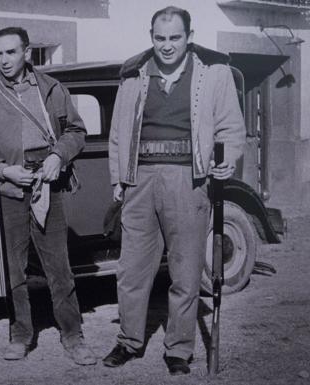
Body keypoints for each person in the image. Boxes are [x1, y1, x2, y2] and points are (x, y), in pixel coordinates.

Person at [104, 6, 246, 375]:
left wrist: (227, 159)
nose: (167, 46)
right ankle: (129, 341)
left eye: (175, 38)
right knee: (131, 269)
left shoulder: (214, 75)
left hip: (189, 180)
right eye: (160, 38)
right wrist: (118, 179)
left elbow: (231, 127)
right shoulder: (133, 75)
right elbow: (118, 133)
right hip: (139, 181)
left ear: (189, 36)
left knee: (184, 270)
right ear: (151, 37)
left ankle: (179, 350)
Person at [0, 26, 96, 366]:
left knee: (59, 267)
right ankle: (21, 334)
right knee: (13, 269)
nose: (4, 60)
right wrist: (3, 171)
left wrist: (58, 157)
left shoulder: (51, 88)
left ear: (27, 53)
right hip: (9, 187)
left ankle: (73, 335)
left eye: (11, 52)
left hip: (47, 184)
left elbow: (76, 131)